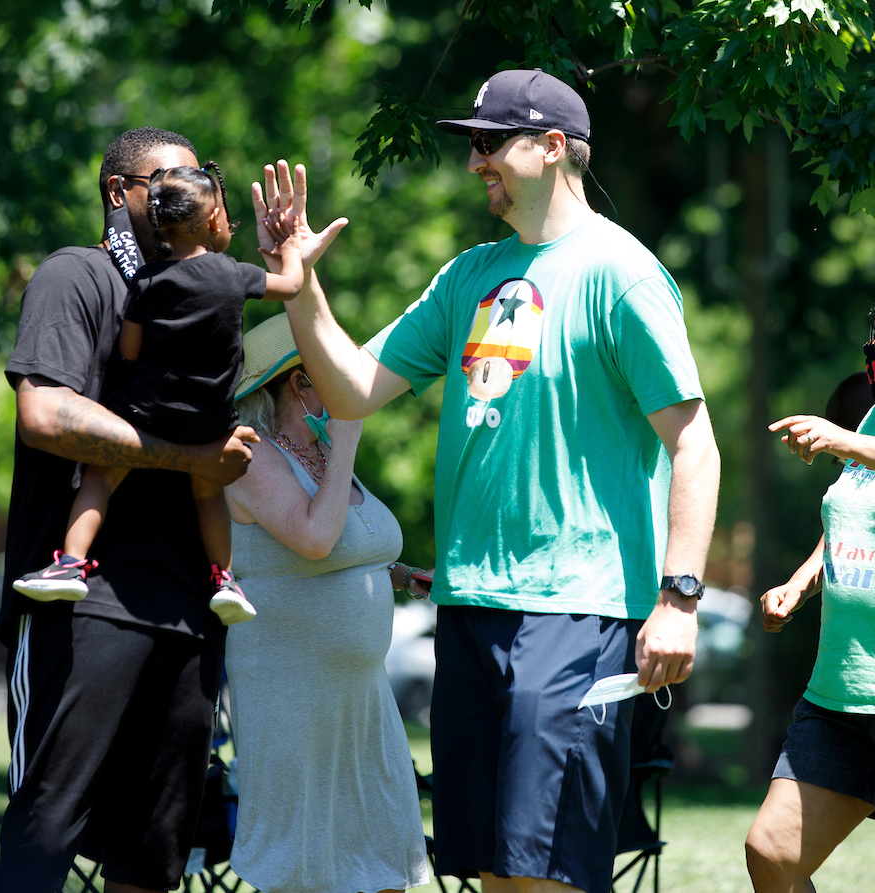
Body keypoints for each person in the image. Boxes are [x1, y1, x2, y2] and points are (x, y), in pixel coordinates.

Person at [257, 67, 720, 893]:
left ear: (551, 147)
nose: (475, 163)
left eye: (488, 144)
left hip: (579, 609)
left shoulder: (623, 273)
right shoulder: (470, 274)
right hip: (471, 606)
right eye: (471, 147)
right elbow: (350, 388)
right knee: (493, 873)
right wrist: (303, 290)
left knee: (551, 875)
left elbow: (695, 444)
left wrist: (680, 598)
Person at [0, 127, 258, 893]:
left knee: (153, 856)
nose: (193, 189)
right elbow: (43, 413)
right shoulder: (75, 276)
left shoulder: (202, 291)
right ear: (121, 193)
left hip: (185, 608)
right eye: (172, 177)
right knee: (42, 837)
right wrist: (186, 458)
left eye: (201, 176)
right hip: (82, 603)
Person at [11, 161, 308, 626]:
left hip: (148, 411)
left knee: (98, 479)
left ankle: (70, 564)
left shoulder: (145, 282)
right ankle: (225, 580)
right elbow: (292, 285)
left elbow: (129, 350)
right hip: (212, 419)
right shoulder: (233, 274)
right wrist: (290, 249)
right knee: (209, 495)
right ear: (214, 221)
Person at [746, 267, 875, 893]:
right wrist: (801, 582)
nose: (874, 354)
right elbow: (851, 516)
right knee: (773, 856)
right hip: (840, 690)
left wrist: (846, 442)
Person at [221, 312, 431, 893]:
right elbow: (313, 540)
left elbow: (342, 547)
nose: (352, 380)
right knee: (304, 864)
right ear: (298, 381)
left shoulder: (322, 453)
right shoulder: (252, 455)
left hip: (362, 697)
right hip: (291, 692)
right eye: (332, 369)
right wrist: (348, 435)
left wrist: (402, 575)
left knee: (380, 853)